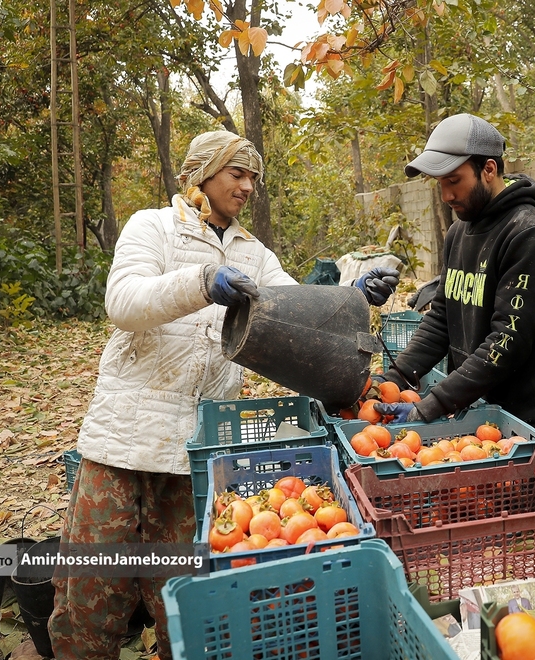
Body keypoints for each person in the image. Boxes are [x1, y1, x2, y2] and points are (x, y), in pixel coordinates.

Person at [47, 131, 397, 659]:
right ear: (202, 174)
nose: (248, 186)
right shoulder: (154, 228)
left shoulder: (253, 253)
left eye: (253, 176)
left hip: (196, 450)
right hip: (123, 443)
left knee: (181, 596)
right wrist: (202, 281)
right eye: (237, 173)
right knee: (92, 590)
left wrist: (353, 292)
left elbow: (299, 310)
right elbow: (123, 301)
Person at [373, 113, 535, 437]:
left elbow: (506, 343)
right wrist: (394, 378)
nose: (446, 195)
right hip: (473, 421)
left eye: (454, 181)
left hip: (526, 432)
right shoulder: (458, 233)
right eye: (440, 184)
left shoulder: (530, 236)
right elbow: (441, 321)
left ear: (488, 170)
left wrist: (431, 405)